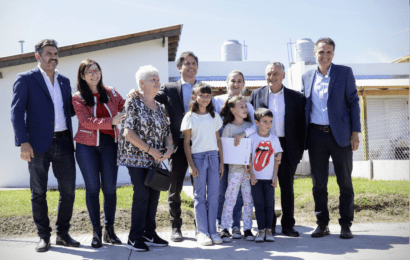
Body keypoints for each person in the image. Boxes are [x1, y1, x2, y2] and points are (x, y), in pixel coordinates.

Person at [11, 39, 79, 252]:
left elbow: (70, 110)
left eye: (56, 53)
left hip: (65, 142)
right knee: (38, 192)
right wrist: (23, 142)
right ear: (38, 56)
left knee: (68, 191)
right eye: (49, 53)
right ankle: (44, 236)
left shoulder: (65, 81)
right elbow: (16, 112)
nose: (53, 56)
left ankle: (63, 233)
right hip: (37, 145)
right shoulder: (26, 79)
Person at [236, 62, 305, 237]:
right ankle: (269, 226)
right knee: (266, 186)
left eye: (275, 74)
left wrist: (299, 149)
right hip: (262, 148)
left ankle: (288, 225)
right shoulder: (257, 94)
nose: (271, 77)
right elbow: (251, 122)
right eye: (268, 74)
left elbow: (301, 125)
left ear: (283, 75)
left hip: (286, 147)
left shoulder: (296, 97)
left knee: (286, 187)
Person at [301, 37, 360, 239]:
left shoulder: (344, 73)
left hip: (341, 135)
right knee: (318, 183)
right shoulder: (307, 76)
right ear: (315, 54)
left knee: (345, 182)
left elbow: (353, 102)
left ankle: (345, 225)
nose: (325, 56)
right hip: (316, 135)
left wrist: (355, 133)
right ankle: (322, 224)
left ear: (333, 54)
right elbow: (305, 106)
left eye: (329, 52)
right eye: (321, 52)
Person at [117, 65, 173, 252]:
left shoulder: (160, 107)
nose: (158, 82)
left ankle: (149, 233)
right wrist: (150, 150)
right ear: (141, 83)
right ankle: (134, 237)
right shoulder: (132, 102)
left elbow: (166, 131)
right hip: (136, 157)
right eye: (153, 79)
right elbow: (128, 132)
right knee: (141, 194)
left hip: (154, 159)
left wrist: (170, 147)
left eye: (158, 79)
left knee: (154, 196)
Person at [72, 59, 126, 248]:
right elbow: (86, 122)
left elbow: (124, 106)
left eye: (97, 70)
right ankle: (96, 231)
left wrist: (135, 97)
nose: (94, 74)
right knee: (93, 189)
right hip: (86, 146)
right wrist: (111, 121)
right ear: (82, 76)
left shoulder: (111, 92)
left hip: (110, 144)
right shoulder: (78, 97)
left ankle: (109, 231)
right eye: (89, 72)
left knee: (110, 189)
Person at [154, 52, 199, 242]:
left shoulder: (204, 88)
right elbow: (151, 96)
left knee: (200, 189)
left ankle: (201, 227)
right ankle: (176, 228)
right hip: (178, 145)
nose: (191, 66)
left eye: (194, 63)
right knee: (175, 188)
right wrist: (137, 92)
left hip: (199, 144)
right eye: (186, 63)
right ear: (179, 67)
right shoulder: (169, 88)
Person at [181, 83, 224, 246]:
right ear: (194, 97)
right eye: (202, 95)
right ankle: (202, 232)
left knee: (214, 196)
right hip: (198, 158)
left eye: (208, 95)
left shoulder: (214, 116)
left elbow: (218, 140)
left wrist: (221, 162)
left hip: (214, 157)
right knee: (200, 196)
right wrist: (191, 165)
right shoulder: (190, 117)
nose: (205, 98)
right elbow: (186, 143)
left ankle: (213, 231)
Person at [213, 70, 255, 239]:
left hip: (243, 162)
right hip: (221, 156)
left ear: (243, 84)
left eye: (239, 81)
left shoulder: (248, 105)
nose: (236, 84)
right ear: (227, 82)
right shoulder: (216, 101)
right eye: (233, 81)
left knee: (241, 195)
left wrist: (243, 135)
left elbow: (254, 127)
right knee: (223, 192)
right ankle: (222, 225)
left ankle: (237, 226)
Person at [248, 108, 283, 242]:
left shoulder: (274, 138)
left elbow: (277, 159)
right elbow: (249, 159)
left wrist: (275, 176)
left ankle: (269, 230)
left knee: (269, 205)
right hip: (256, 178)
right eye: (264, 121)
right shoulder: (252, 138)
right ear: (257, 122)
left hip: (269, 178)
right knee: (259, 205)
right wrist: (251, 175)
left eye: (270, 121)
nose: (268, 124)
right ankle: (261, 230)